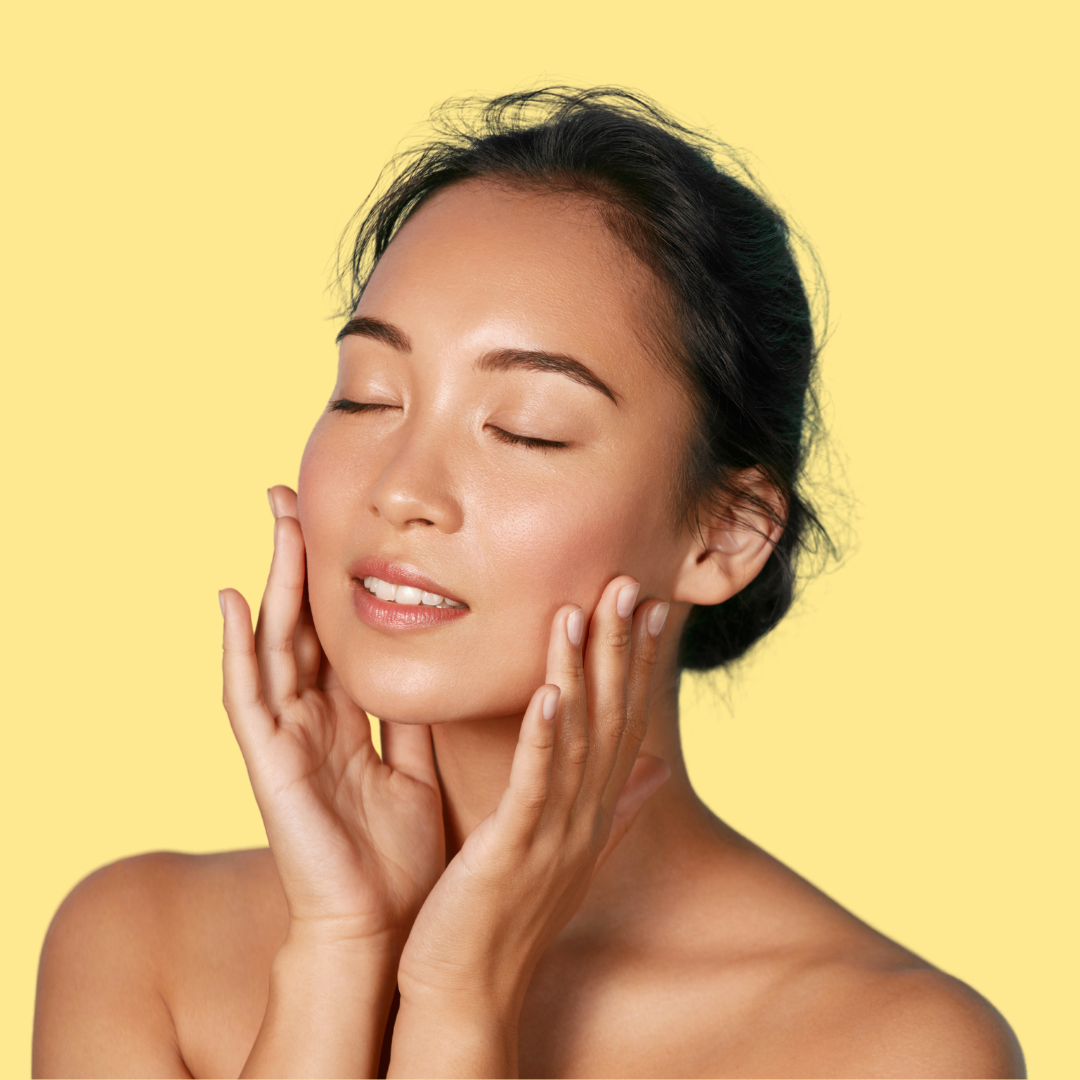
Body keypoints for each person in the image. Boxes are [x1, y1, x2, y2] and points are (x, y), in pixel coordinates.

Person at [32, 87, 1025, 1079]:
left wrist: (463, 1000)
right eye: (368, 397)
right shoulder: (138, 949)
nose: (402, 490)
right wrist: (340, 946)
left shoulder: (890, 1049)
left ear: (726, 535)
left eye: (525, 428)